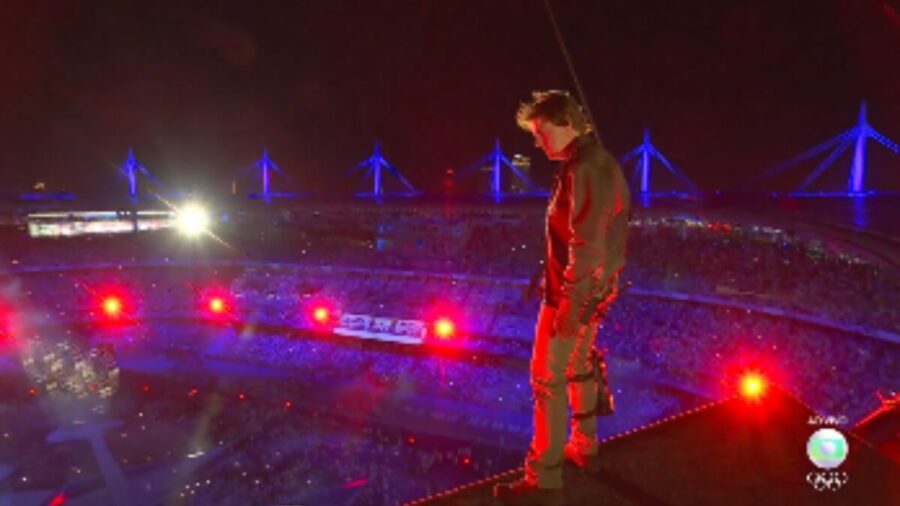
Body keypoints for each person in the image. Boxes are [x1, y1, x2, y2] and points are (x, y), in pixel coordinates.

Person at [495, 90, 630, 505]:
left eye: (540, 131)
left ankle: (544, 481)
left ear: (566, 122)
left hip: (573, 296)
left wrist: (569, 307)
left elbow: (587, 247)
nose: (537, 141)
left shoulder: (584, 168)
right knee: (578, 368)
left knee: (547, 381)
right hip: (596, 291)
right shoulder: (600, 163)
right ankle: (585, 448)